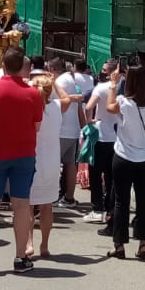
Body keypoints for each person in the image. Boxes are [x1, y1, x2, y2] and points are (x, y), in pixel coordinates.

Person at [0, 48, 44, 270]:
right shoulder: (33, 94)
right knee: (21, 205)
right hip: (24, 154)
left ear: (3, 66)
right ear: (24, 68)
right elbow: (37, 125)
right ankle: (20, 256)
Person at [105, 56, 145, 261]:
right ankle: (144, 244)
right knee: (144, 201)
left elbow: (109, 106)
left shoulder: (124, 103)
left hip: (123, 156)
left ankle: (119, 245)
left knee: (121, 201)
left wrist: (113, 84)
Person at [28, 74, 63, 258]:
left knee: (27, 205)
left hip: (32, 158)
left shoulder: (28, 107)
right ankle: (45, 244)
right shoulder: (57, 107)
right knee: (46, 206)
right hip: (51, 161)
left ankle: (29, 243)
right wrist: (55, 82)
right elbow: (65, 98)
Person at [84, 60, 119, 224]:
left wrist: (89, 120)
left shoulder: (100, 88)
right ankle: (111, 208)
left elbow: (88, 106)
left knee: (95, 173)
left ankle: (97, 208)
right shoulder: (122, 88)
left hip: (100, 134)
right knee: (112, 176)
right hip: (116, 136)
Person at [53, 59, 92, 206]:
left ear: (52, 69)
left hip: (61, 129)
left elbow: (59, 102)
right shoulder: (73, 81)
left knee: (55, 165)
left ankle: (52, 196)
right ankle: (69, 196)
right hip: (73, 129)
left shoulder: (60, 82)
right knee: (70, 164)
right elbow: (78, 104)